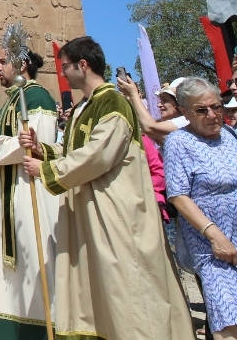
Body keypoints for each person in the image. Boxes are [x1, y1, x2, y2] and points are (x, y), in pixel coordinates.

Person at [21, 35, 192, 339]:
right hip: (90, 209)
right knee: (98, 290)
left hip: (116, 211)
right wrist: (42, 149)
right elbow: (75, 150)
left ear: (82, 65)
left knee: (126, 288)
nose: (63, 74)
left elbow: (99, 153)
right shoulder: (84, 108)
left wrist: (46, 170)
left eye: (66, 67)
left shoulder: (112, 101)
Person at [0, 40, 59, 340]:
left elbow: (35, 144)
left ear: (21, 66)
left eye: (2, 62)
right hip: (7, 188)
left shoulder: (37, 97)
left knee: (32, 253)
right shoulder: (11, 99)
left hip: (27, 187)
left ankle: (41, 327)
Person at [163, 77, 237, 338]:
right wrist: (216, 237)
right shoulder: (178, 143)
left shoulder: (230, 135)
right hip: (212, 247)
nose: (212, 115)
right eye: (201, 110)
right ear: (184, 112)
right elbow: (179, 196)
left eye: (216, 107)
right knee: (228, 319)